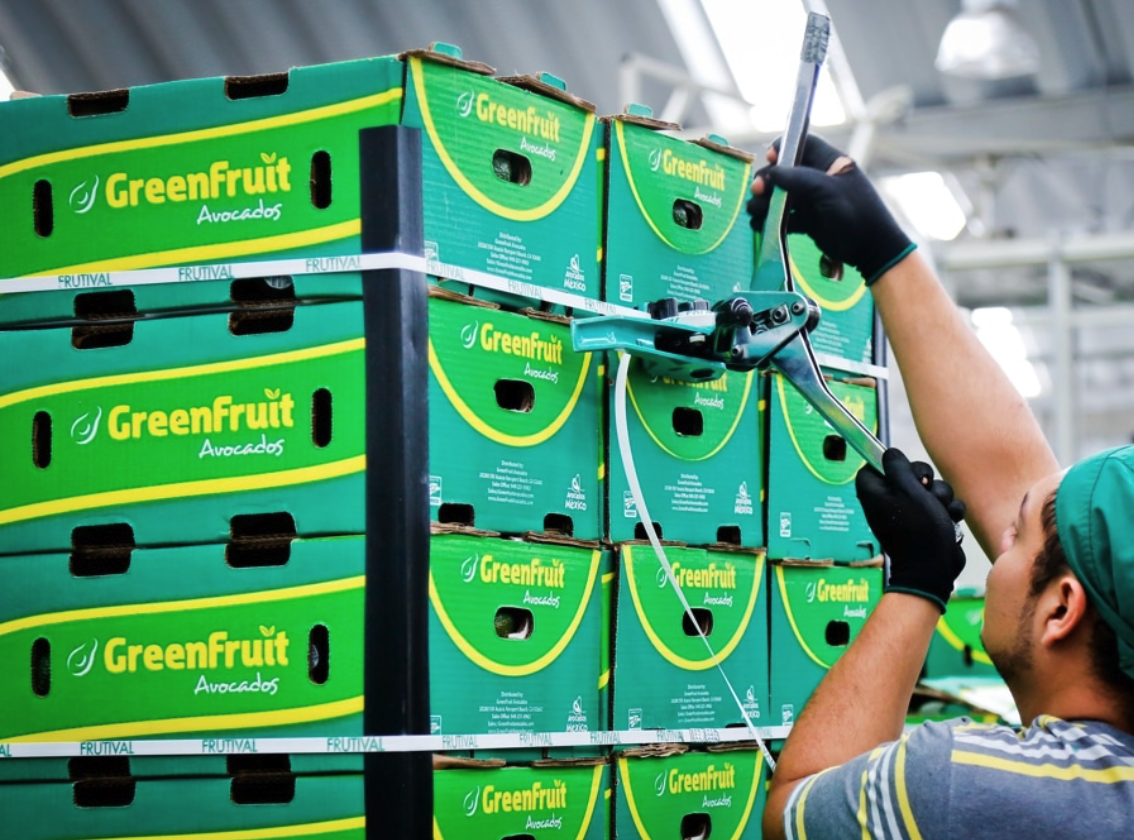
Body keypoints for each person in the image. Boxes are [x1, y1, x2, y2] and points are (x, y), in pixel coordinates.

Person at [748, 136, 1134, 839]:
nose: (997, 536)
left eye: (1011, 539)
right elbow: (1021, 488)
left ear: (1061, 611)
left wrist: (917, 585)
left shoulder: (971, 791)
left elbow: (793, 813)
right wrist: (886, 253)